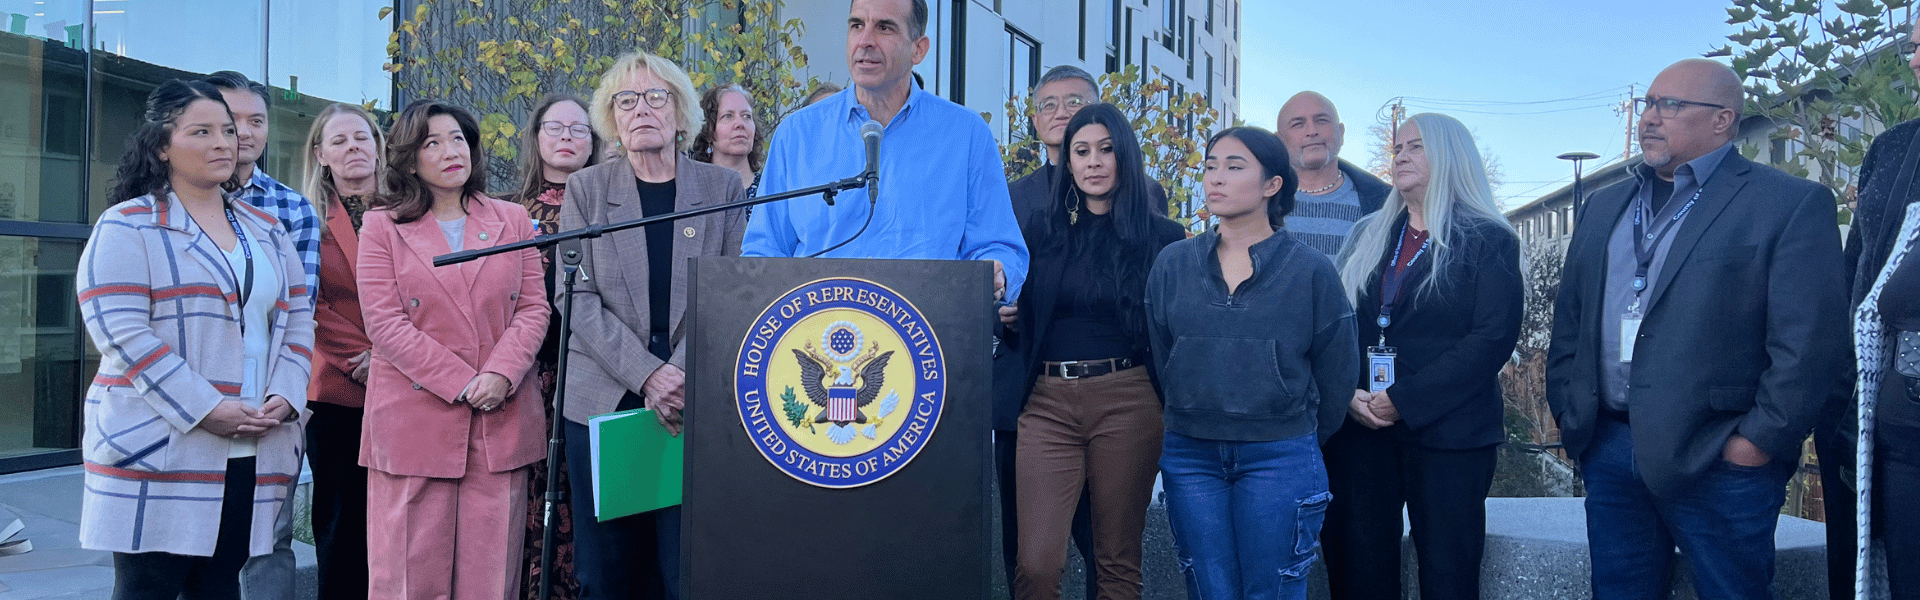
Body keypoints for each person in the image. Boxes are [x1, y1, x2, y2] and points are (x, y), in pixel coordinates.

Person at [1545, 58, 1848, 599]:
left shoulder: (1787, 204)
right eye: (1649, 104)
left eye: (1670, 105)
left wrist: (1756, 442)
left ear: (1722, 121)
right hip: (1611, 447)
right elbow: (1571, 318)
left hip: (1718, 458)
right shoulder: (1604, 205)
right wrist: (1573, 416)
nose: (1649, 118)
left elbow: (1808, 345)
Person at [77, 79, 313, 600]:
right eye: (201, 131)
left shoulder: (266, 229)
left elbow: (298, 319)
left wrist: (287, 395)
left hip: (254, 442)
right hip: (162, 444)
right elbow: (121, 332)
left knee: (219, 587)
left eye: (228, 131)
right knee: (149, 589)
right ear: (163, 145)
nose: (223, 143)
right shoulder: (128, 225)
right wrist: (207, 407)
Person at [560, 50, 747, 600]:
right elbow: (574, 298)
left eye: (656, 97)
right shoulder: (586, 190)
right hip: (605, 400)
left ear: (682, 112)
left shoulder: (720, 190)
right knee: (605, 576)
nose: (641, 109)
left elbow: (731, 293)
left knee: (684, 572)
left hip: (692, 401)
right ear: (612, 118)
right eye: (627, 100)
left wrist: (676, 377)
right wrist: (647, 375)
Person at [1145, 126, 1359, 600]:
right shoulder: (1172, 264)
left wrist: (1289, 425)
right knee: (1208, 591)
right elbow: (1162, 353)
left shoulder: (1310, 270)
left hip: (1280, 455)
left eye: (1234, 166)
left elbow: (1338, 370)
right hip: (1190, 454)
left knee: (1274, 592)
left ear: (1272, 185)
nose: (1216, 178)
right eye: (1210, 166)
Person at [1322, 112, 1523, 600]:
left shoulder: (1488, 239)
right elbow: (1338, 323)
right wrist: (1348, 392)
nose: (1401, 157)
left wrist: (1404, 399)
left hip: (1449, 434)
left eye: (1416, 147)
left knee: (1447, 573)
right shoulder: (1369, 235)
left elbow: (1491, 339)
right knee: (1361, 568)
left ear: (1451, 156)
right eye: (1397, 149)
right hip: (1363, 426)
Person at [357, 99, 550, 599]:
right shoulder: (382, 225)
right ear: (409, 156)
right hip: (414, 421)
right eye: (432, 142)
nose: (450, 151)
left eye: (459, 139)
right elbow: (383, 320)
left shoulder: (511, 219)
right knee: (409, 577)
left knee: (492, 577)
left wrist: (501, 375)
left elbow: (534, 308)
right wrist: (462, 381)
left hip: (498, 418)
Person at [1004, 103, 1186, 600]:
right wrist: (1005, 311)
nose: (1093, 162)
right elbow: (1018, 308)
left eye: (1106, 150)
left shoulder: (1164, 239)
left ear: (1124, 156)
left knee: (1117, 563)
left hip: (1128, 400)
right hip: (1045, 402)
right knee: (1036, 565)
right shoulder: (1041, 231)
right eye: (1080, 152)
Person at [742, 0, 1028, 304]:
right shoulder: (798, 133)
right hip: (816, 332)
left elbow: (998, 245)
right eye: (856, 26)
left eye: (884, 27)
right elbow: (765, 250)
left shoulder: (966, 134)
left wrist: (997, 271)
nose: (865, 41)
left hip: (930, 333)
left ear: (918, 49)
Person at [202, 71, 317, 597]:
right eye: (229, 121)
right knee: (185, 549)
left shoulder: (290, 209)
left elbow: (298, 313)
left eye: (255, 121)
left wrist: (285, 395)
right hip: (190, 402)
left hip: (268, 398)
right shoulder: (156, 205)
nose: (242, 133)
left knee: (267, 539)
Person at [506, 92, 601, 600]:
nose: (567, 138)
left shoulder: (611, 205)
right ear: (536, 138)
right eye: (555, 128)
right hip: (531, 378)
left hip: (596, 375)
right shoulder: (508, 214)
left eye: (579, 129)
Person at [1845, 20, 1920, 600]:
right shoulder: (1893, 150)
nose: (1915, 61)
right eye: (1916, 47)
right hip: (1897, 430)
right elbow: (1858, 275)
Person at [299, 102, 384, 600]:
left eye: (362, 137)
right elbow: (310, 303)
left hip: (408, 387)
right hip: (340, 393)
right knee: (342, 527)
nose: (354, 147)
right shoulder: (307, 218)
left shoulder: (408, 211)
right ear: (321, 155)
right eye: (340, 141)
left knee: (395, 527)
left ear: (378, 146)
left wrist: (392, 357)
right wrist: (367, 360)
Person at [1275, 91, 1390, 256]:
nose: (1312, 131)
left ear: (1341, 133)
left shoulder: (1384, 204)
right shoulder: (1258, 203)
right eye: (1298, 124)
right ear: (1279, 141)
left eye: (1321, 121)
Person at [691, 83, 765, 196]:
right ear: (708, 130)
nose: (740, 124)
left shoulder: (770, 189)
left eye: (746, 116)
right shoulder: (692, 192)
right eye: (728, 116)